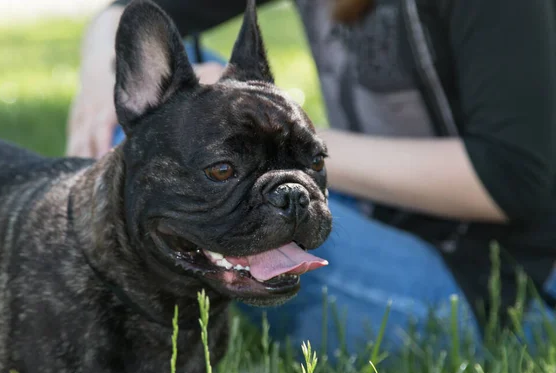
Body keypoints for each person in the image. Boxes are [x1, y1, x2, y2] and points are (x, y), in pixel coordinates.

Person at [67, 0, 556, 355]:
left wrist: (286, 143)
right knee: (159, 101)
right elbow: (128, 14)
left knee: (155, 142)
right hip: (367, 211)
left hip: (491, 286)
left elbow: (514, 179)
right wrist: (99, 77)